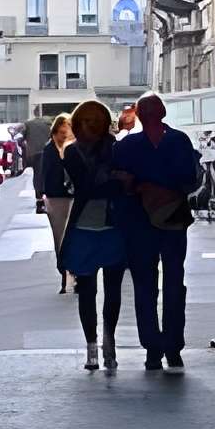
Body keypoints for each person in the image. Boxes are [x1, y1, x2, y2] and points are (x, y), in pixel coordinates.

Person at [114, 91, 201, 370]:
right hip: (172, 219)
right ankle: (170, 347)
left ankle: (155, 349)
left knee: (146, 286)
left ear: (138, 115)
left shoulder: (129, 146)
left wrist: (141, 185)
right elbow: (189, 180)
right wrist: (165, 188)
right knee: (173, 282)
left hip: (140, 221)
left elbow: (119, 183)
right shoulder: (178, 141)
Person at [61, 98, 128, 370]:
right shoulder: (72, 151)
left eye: (97, 121)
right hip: (84, 229)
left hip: (113, 228)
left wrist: (110, 182)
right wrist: (112, 178)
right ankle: (91, 345)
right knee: (86, 291)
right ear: (77, 123)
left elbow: (110, 188)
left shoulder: (115, 149)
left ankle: (109, 341)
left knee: (113, 290)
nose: (91, 126)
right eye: (86, 121)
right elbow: (87, 187)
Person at [34, 111, 74, 295]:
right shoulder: (49, 150)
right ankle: (64, 273)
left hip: (72, 197)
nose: (64, 136)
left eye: (67, 132)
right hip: (55, 198)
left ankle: (74, 274)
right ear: (55, 132)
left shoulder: (73, 148)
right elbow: (42, 175)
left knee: (72, 236)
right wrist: (40, 196)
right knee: (59, 238)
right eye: (61, 133)